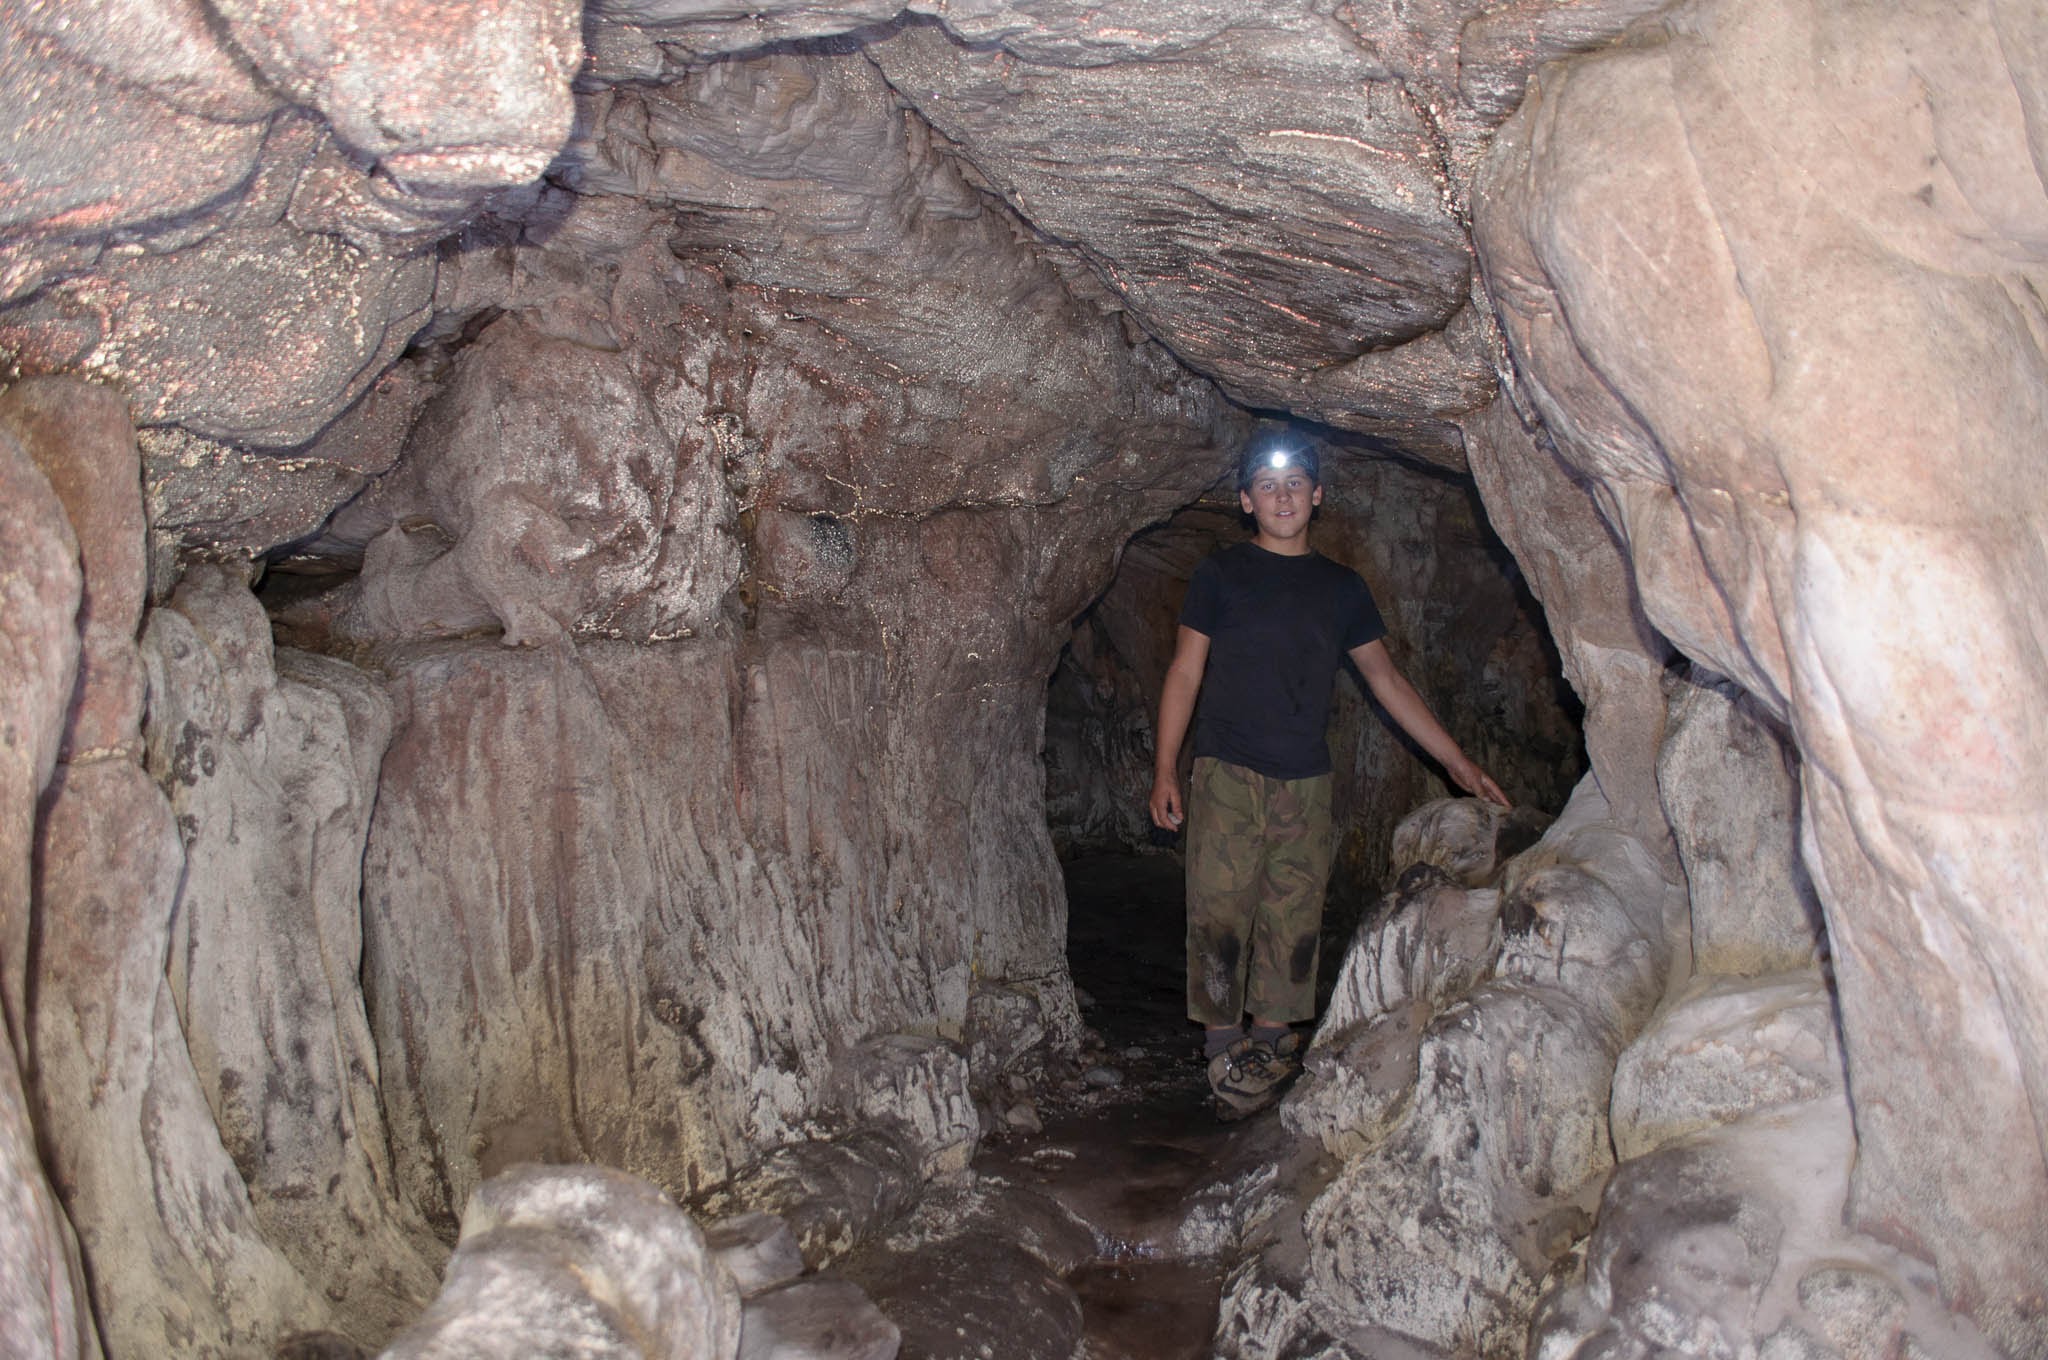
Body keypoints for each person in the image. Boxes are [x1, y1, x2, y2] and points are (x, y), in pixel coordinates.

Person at [1148, 441, 1510, 1119]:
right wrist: (1167, 766)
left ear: (1316, 496)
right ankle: (1223, 1046)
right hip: (1226, 767)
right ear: (1246, 501)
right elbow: (1186, 671)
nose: (1282, 495)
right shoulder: (1219, 575)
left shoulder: (1341, 589)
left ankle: (1273, 1040)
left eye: (1295, 483)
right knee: (1221, 906)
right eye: (1266, 483)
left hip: (1304, 776)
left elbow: (1384, 678)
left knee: (1293, 911)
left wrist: (1457, 763)